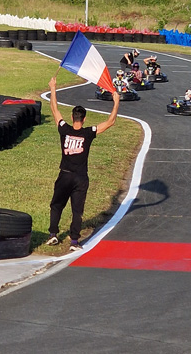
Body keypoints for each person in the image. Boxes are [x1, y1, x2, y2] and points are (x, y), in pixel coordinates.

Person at [47, 76, 120, 252]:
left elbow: (54, 108)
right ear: (84, 119)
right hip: (80, 178)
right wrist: (116, 102)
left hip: (64, 174)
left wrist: (53, 87)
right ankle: (74, 241)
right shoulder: (88, 133)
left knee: (57, 205)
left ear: (72, 117)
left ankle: (53, 235)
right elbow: (110, 122)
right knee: (77, 210)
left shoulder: (64, 129)